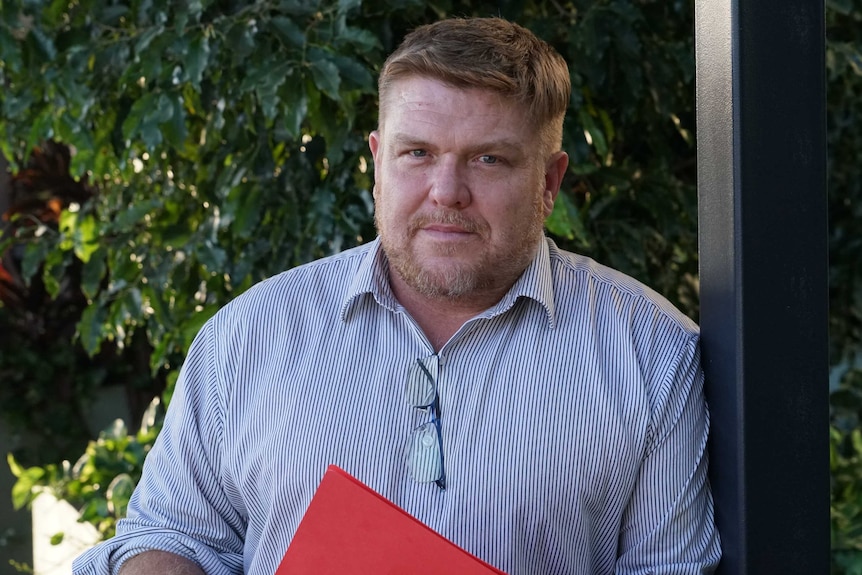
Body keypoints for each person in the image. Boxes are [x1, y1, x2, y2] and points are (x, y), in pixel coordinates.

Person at [73, 16, 721, 575]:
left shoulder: (651, 354)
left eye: (488, 159)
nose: (446, 190)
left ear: (550, 181)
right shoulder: (247, 337)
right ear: (378, 163)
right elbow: (170, 535)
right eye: (417, 153)